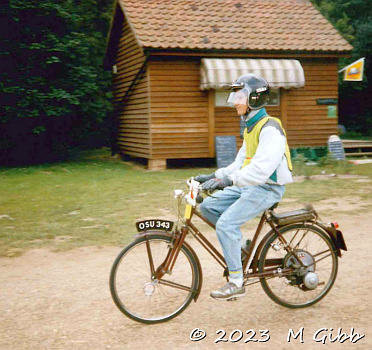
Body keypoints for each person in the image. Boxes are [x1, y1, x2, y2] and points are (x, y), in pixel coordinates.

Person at [195, 73, 293, 301]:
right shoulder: (251, 127)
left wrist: (228, 181)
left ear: (255, 99)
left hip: (267, 187)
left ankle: (237, 281)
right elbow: (241, 163)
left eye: (240, 97)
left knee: (226, 225)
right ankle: (241, 247)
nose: (235, 102)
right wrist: (215, 175)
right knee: (208, 207)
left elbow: (260, 170)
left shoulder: (270, 129)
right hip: (249, 185)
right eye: (236, 96)